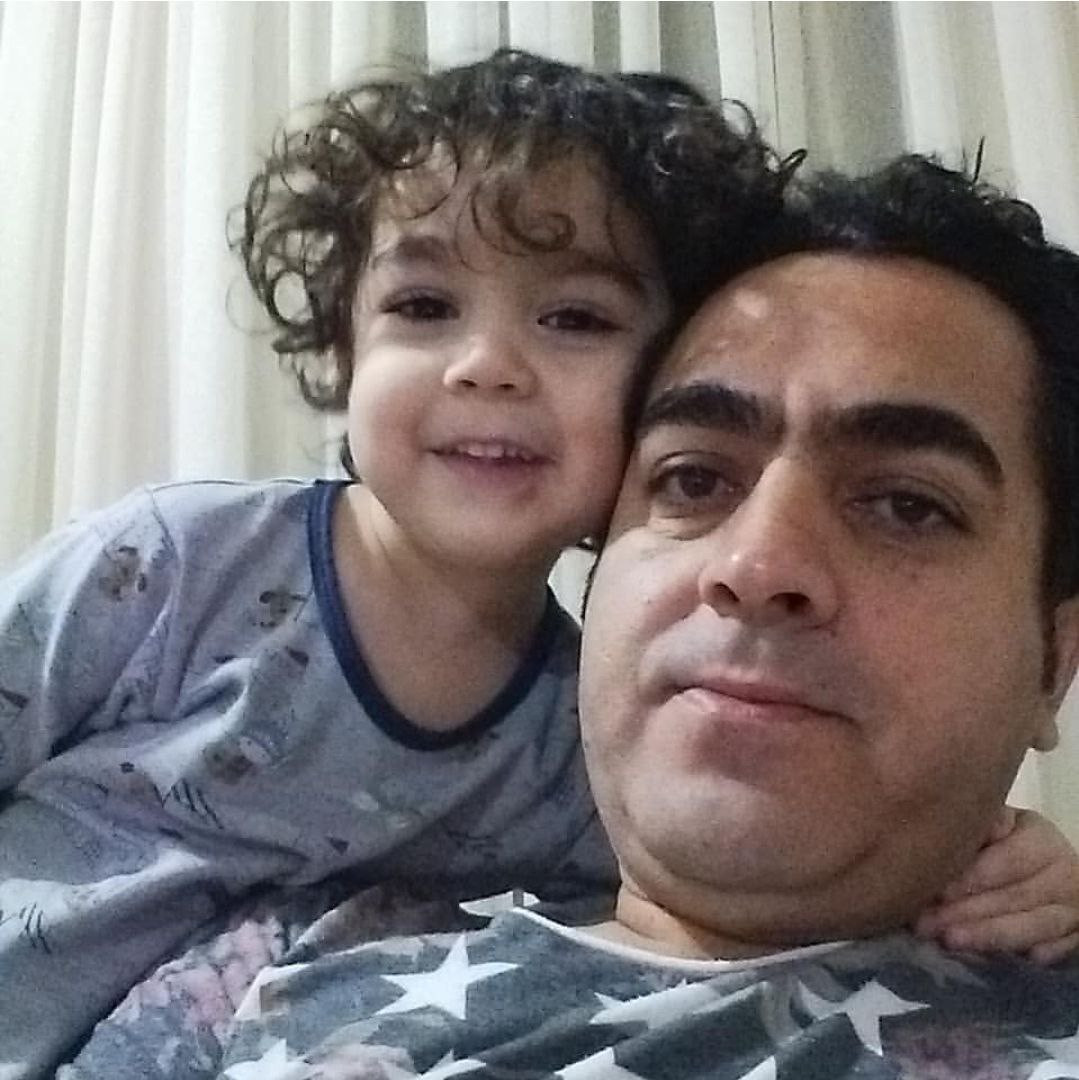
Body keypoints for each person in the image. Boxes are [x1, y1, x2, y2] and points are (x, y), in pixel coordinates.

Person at [0, 50, 1075, 1077]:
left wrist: (1011, 867)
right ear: (341, 347)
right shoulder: (174, 566)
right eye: (695, 478)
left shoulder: (568, 761)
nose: (486, 366)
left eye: (905, 506)